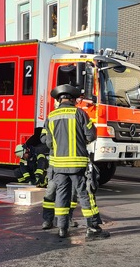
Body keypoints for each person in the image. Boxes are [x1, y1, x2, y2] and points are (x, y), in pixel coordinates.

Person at [41, 84, 108, 240]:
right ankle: (92, 228)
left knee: (61, 196)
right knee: (85, 195)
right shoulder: (80, 114)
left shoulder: (51, 116)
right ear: (72, 99)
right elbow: (91, 135)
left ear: (59, 100)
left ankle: (62, 229)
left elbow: (47, 141)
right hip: (77, 164)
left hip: (58, 165)